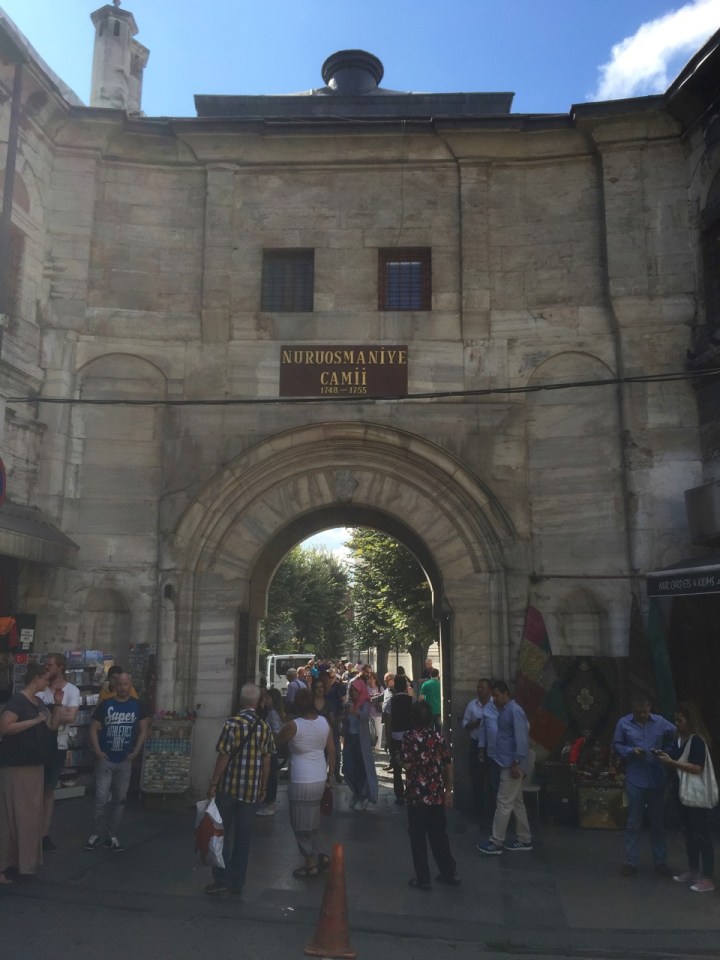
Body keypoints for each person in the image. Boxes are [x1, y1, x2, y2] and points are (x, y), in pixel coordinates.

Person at [205, 683, 274, 895]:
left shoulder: (232, 724)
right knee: (244, 837)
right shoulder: (264, 727)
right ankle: (238, 881)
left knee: (223, 832)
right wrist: (263, 787)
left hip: (229, 787)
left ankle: (222, 877)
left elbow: (224, 755)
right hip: (251, 790)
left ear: (241, 701)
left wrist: (214, 782)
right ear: (257, 702)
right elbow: (267, 760)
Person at [0, 662, 61, 884]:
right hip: (16, 766)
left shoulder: (40, 702)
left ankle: (21, 862)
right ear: (36, 678)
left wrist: (57, 705)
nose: (47, 684)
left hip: (34, 765)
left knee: (28, 818)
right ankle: (5, 865)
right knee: (12, 816)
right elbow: (5, 726)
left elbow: (53, 726)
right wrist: (34, 721)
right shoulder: (18, 700)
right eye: (45, 679)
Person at [612, 693, 676, 877]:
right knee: (633, 821)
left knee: (657, 822)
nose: (642, 715)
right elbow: (616, 745)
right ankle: (631, 861)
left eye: (645, 712)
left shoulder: (661, 722)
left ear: (650, 708)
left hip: (657, 777)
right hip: (636, 778)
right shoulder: (623, 723)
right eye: (639, 712)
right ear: (633, 709)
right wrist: (631, 751)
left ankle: (660, 861)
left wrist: (666, 752)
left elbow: (676, 736)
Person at [86, 673, 150, 852]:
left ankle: (111, 835)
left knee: (119, 799)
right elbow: (92, 728)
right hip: (106, 758)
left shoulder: (137, 705)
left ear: (130, 685)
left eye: (126, 684)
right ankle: (95, 833)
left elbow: (144, 729)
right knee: (100, 798)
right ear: (115, 685)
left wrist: (136, 750)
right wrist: (98, 751)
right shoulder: (106, 705)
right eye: (120, 684)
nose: (123, 687)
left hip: (124, 760)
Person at [656, 702, 716, 892]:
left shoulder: (697, 741)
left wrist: (672, 762)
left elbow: (697, 767)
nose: (677, 724)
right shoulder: (679, 739)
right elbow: (676, 756)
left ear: (690, 721)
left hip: (696, 795)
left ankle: (708, 877)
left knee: (702, 834)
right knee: (689, 832)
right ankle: (693, 870)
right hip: (682, 792)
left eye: (680, 720)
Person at [276, 687, 335, 878]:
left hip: (301, 778)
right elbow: (332, 750)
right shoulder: (324, 723)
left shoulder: (293, 725)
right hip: (319, 776)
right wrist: (331, 774)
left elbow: (276, 743)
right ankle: (322, 854)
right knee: (313, 820)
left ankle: (310, 862)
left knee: (300, 824)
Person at [402, 700, 459, 890]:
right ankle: (448, 871)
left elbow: (408, 764)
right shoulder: (438, 738)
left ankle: (423, 878)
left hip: (417, 796)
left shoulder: (409, 738)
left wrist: (398, 761)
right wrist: (448, 790)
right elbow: (448, 765)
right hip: (435, 795)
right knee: (439, 836)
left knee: (418, 839)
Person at [476, 680, 532, 855]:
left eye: (497, 696)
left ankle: (496, 840)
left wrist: (516, 764)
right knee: (516, 802)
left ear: (506, 693)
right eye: (493, 696)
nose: (495, 699)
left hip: (511, 764)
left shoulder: (514, 711)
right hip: (506, 761)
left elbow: (521, 740)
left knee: (503, 802)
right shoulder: (504, 711)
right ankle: (524, 838)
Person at [38, 652, 81, 851]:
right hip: (38, 743)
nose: (47, 668)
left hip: (58, 744)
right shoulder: (40, 687)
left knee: (48, 790)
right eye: (45, 665)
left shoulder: (72, 690)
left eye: (50, 665)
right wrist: (57, 713)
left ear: (60, 666)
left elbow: (71, 717)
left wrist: (50, 714)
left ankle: (44, 834)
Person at [342, 679, 378, 810]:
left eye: (355, 690)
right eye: (351, 690)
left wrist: (354, 712)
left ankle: (362, 796)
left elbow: (364, 716)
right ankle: (355, 793)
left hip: (361, 741)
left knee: (361, 769)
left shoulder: (365, 703)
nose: (352, 693)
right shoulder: (349, 703)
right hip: (350, 739)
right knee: (348, 768)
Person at [384, 674, 414, 804]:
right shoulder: (411, 700)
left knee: (397, 766)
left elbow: (388, 721)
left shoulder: (391, 702)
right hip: (409, 736)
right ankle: (411, 789)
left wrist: (388, 739)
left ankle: (399, 794)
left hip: (396, 736)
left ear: (395, 686)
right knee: (410, 765)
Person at [475, 678, 500, 829]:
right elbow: (483, 731)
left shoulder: (511, 710)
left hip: (508, 758)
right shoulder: (488, 710)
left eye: (497, 696)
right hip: (492, 755)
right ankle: (493, 821)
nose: (495, 699)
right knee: (493, 787)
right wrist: (481, 750)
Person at [256, 687, 285, 816]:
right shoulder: (274, 712)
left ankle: (270, 803)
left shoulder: (272, 713)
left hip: (271, 748)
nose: (265, 700)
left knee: (270, 776)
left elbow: (277, 731)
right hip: (271, 748)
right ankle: (268, 801)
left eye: (267, 698)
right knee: (271, 776)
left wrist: (271, 740)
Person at [419, 667, 441, 732]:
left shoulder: (425, 684)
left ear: (430, 675)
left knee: (429, 731)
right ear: (438, 675)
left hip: (429, 711)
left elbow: (421, 699)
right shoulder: (441, 684)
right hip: (439, 711)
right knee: (439, 731)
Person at [366, 671, 384, 748]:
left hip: (378, 711)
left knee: (378, 730)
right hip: (369, 712)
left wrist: (378, 698)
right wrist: (373, 696)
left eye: (371, 678)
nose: (369, 680)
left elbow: (383, 697)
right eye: (368, 678)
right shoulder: (366, 688)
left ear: (375, 679)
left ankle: (378, 747)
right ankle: (371, 745)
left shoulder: (380, 688)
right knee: (371, 730)